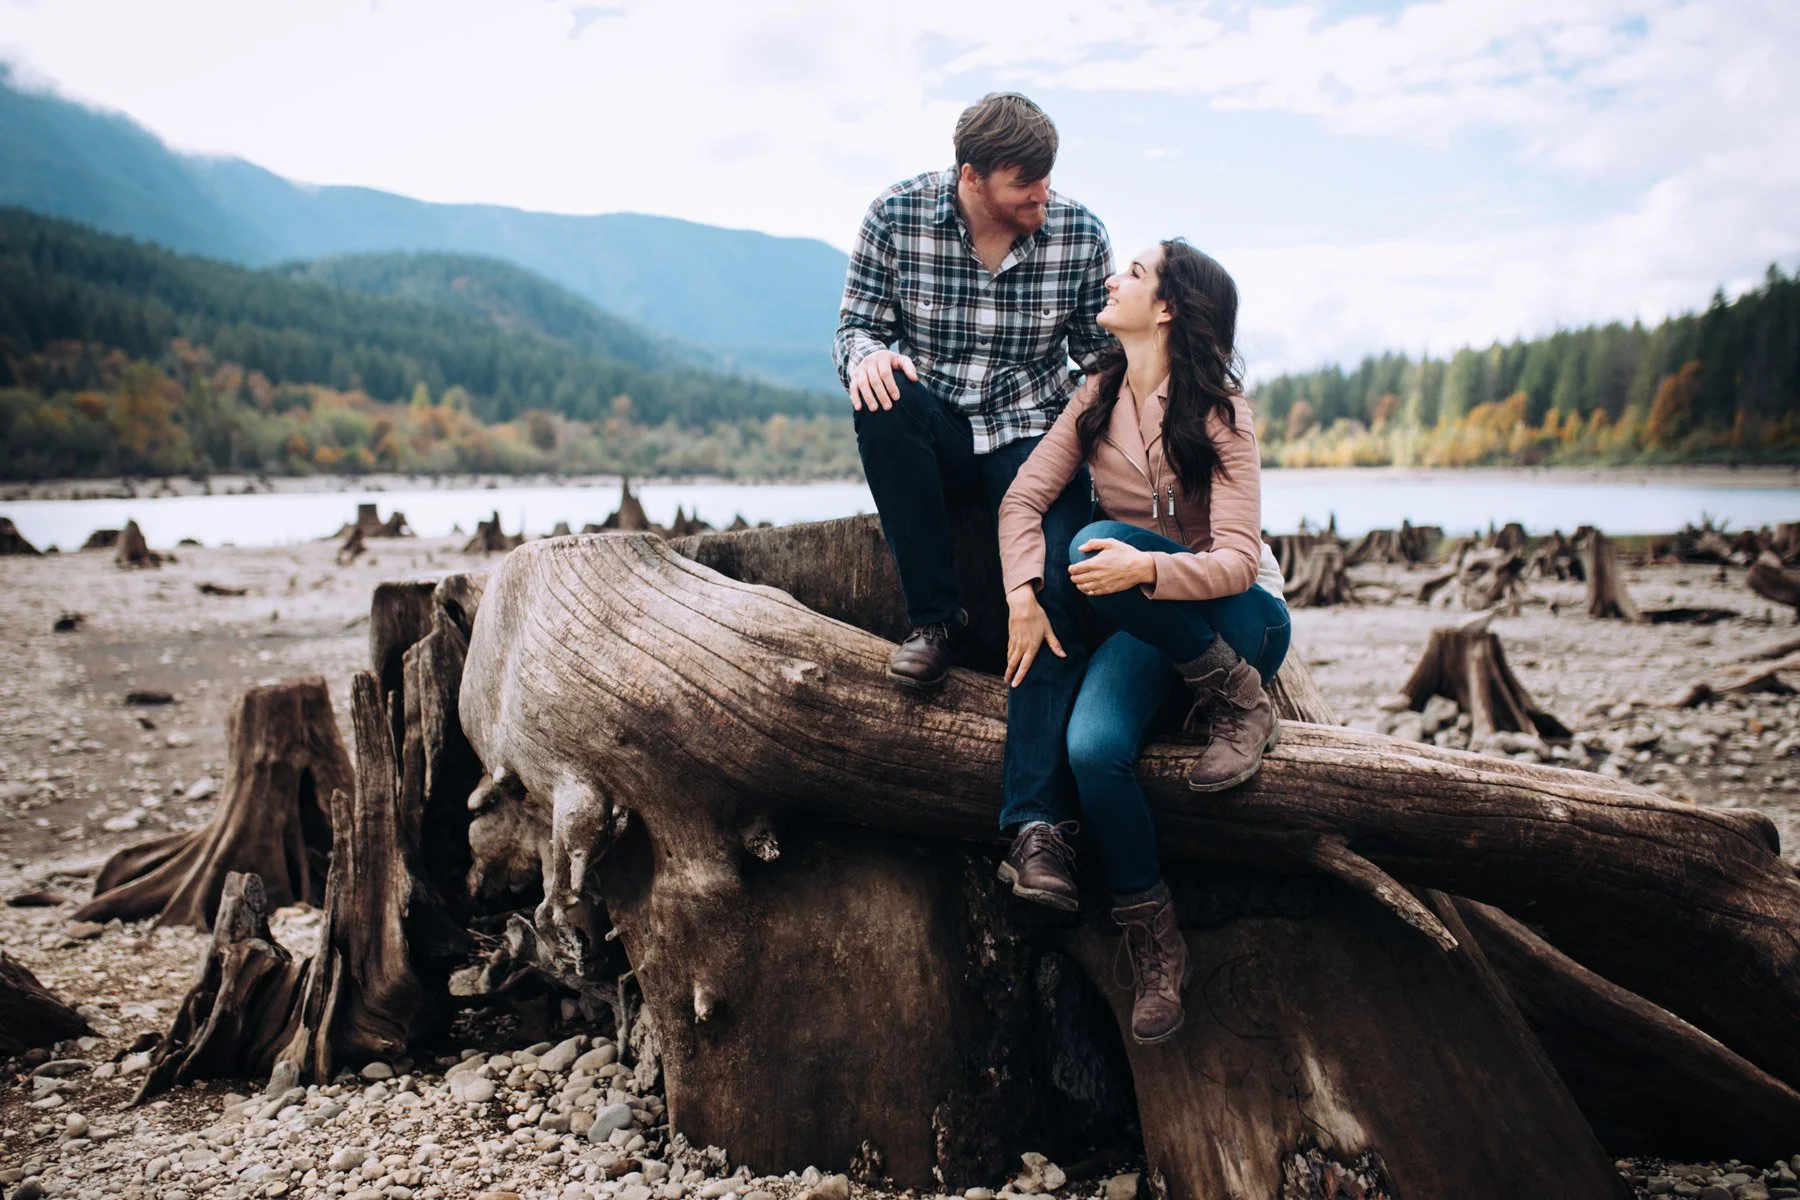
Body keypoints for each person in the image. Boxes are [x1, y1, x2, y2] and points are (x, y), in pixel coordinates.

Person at [994, 239, 1289, 1044]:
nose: (1111, 278)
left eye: (1131, 272)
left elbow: (1233, 559)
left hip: (1240, 620)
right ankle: (1155, 943)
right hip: (1146, 624)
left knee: (1098, 539)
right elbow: (1022, 501)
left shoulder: (1220, 409)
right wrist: (1024, 594)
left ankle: (1240, 703)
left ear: (1165, 308)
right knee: (1094, 750)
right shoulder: (1096, 395)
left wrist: (1144, 569)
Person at [834, 91, 1113, 698]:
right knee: (882, 392)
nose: (1042, 193)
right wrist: (867, 357)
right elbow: (856, 330)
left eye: (1047, 178)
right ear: (972, 177)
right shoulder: (894, 214)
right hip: (937, 438)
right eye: (1024, 183)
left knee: (1057, 588)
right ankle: (935, 623)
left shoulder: (1082, 234)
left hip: (1033, 436)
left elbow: (1103, 362)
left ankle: (1044, 776)